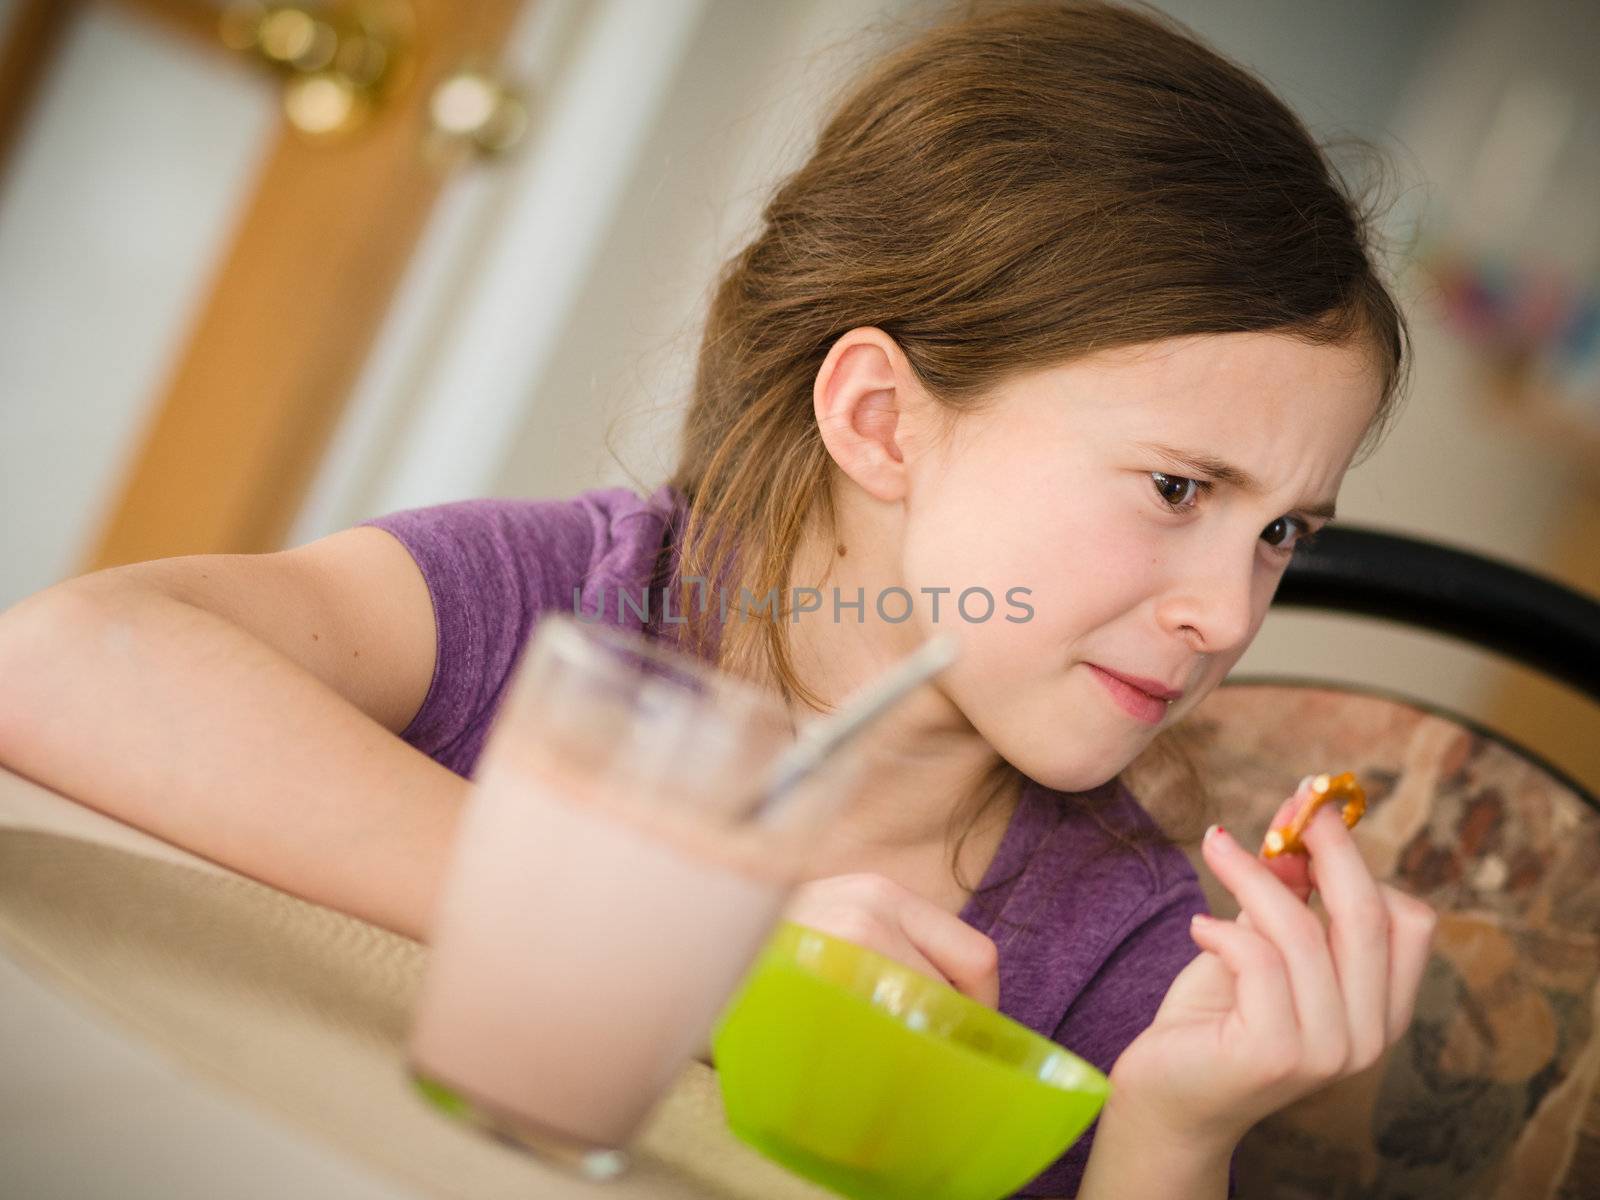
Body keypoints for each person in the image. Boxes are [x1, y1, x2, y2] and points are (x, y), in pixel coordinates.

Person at [0, 2, 1438, 1196]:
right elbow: (68, 660)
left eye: (1284, 532)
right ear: (881, 421)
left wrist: (1173, 1137)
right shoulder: (563, 614)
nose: (1229, 615)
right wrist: (711, 948)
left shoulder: (1122, 956)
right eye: (1180, 491)